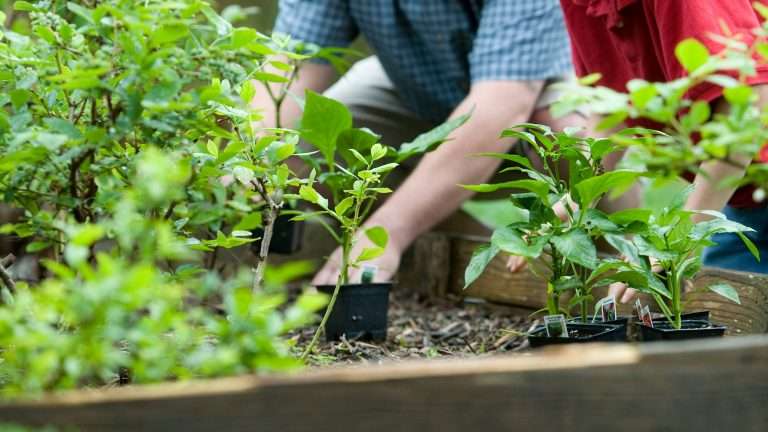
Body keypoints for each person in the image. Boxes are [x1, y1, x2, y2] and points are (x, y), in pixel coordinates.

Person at [254, 0, 581, 285]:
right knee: (299, 149)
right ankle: (444, 229)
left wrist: (386, 233)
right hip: (417, 84)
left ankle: (614, 270)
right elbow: (290, 68)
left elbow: (500, 105)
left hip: (537, 83)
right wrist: (247, 164)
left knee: (579, 147)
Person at [555, 0, 768, 302]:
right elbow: (615, 101)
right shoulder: (581, 4)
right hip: (746, 198)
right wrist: (578, 196)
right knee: (731, 319)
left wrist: (676, 239)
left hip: (748, 183)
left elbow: (749, 102)